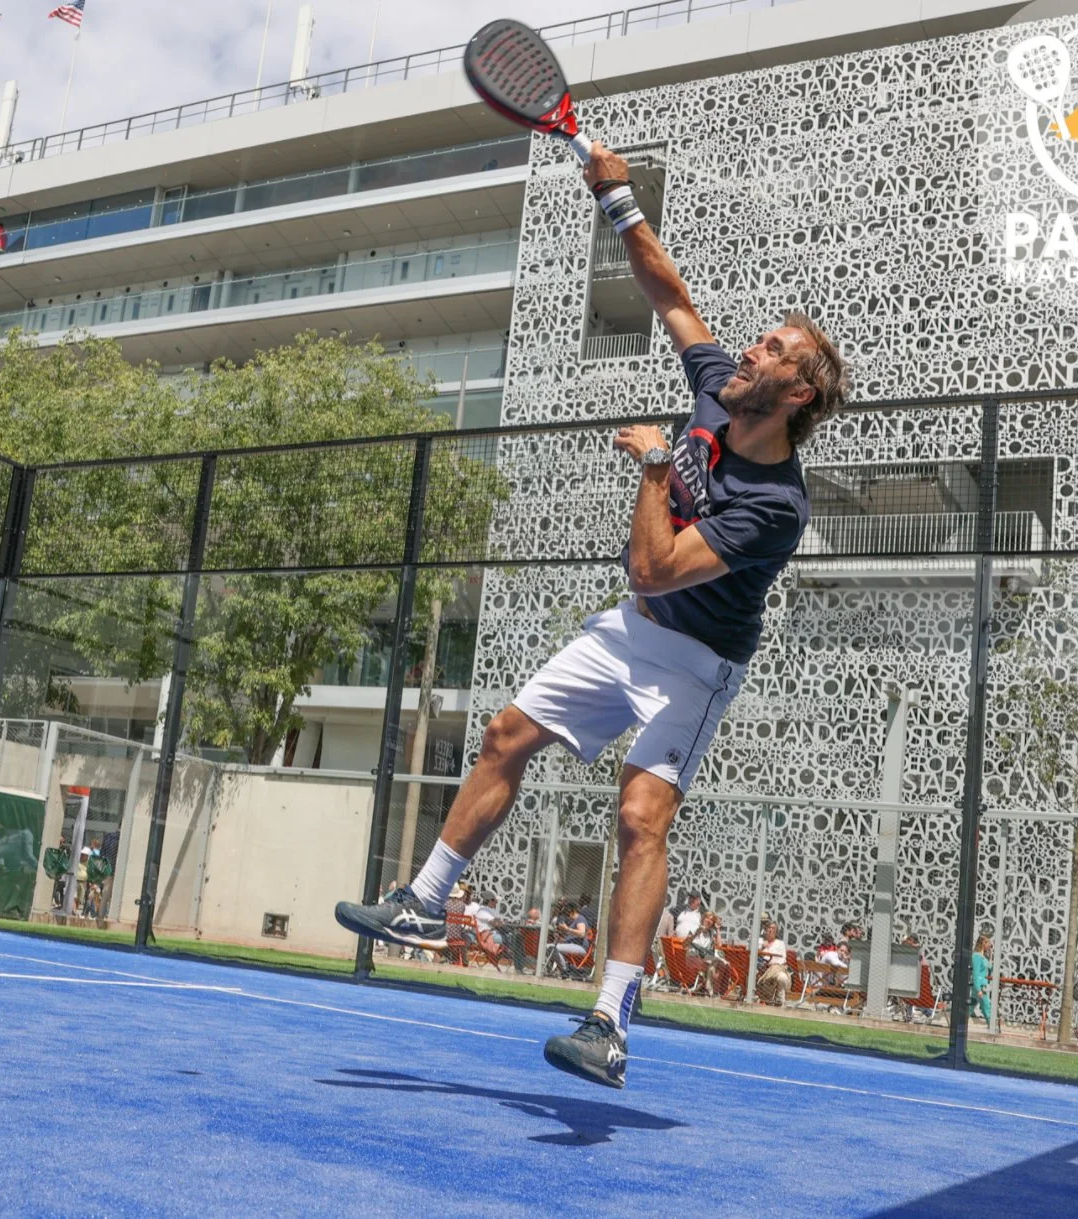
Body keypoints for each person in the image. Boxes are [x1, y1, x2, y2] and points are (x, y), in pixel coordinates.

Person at [333, 140, 846, 1088]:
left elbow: (655, 570)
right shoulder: (716, 382)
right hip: (629, 631)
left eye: (776, 349)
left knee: (642, 815)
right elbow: (668, 291)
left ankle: (608, 1022)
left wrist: (657, 464)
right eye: (761, 339)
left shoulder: (778, 504)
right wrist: (617, 197)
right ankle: (423, 901)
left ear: (798, 393)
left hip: (695, 662)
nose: (753, 348)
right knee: (503, 735)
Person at [756, 920, 792, 1005]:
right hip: (763, 969)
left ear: (776, 931)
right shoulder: (760, 941)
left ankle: (779, 1001)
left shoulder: (780, 943)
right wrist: (762, 946)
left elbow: (783, 959)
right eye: (769, 928)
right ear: (765, 929)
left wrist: (772, 963)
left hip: (776, 968)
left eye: (773, 928)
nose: (771, 930)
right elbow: (753, 954)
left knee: (782, 977)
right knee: (781, 976)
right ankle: (777, 1001)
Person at [970, 934, 994, 1024]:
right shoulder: (976, 956)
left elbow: (990, 968)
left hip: (983, 985)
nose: (989, 946)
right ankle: (991, 1026)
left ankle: (960, 1023)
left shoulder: (983, 957)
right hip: (979, 986)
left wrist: (991, 955)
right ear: (983, 943)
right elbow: (975, 973)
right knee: (987, 1006)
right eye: (988, 943)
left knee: (971, 1006)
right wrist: (978, 989)